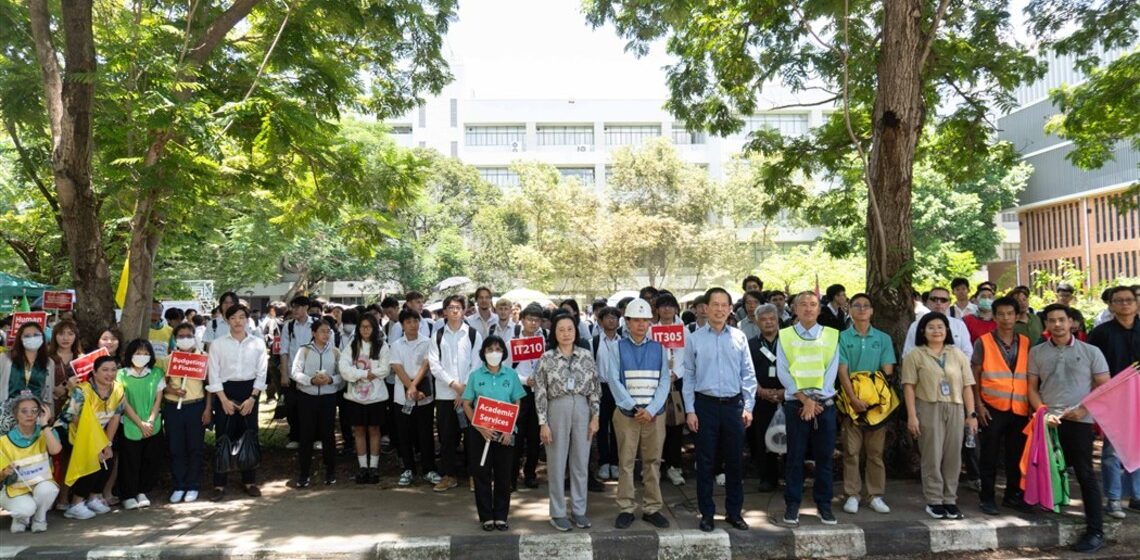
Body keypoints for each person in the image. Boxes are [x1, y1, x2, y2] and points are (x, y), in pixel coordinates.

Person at [1028, 304, 1110, 553]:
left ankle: (1095, 531)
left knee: (1085, 474)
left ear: (1071, 322)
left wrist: (1084, 410)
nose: (1057, 325)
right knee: (1049, 469)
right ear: (1046, 325)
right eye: (1051, 320)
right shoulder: (1037, 352)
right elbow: (1031, 388)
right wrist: (1042, 412)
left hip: (1079, 421)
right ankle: (1051, 514)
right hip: (1048, 421)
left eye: (1061, 320)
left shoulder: (1091, 351)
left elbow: (1104, 386)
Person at [683, 288, 757, 532]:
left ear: (729, 308)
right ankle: (707, 514)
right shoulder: (694, 338)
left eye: (724, 305)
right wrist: (690, 410)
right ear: (705, 307)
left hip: (733, 406)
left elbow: (748, 375)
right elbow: (689, 376)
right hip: (705, 406)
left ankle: (734, 513)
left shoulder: (739, 337)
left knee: (735, 462)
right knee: (705, 463)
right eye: (714, 304)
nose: (719, 309)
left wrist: (748, 406)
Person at [901, 312, 978, 521]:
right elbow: (909, 387)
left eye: (941, 327)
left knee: (954, 456)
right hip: (928, 407)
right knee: (932, 455)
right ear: (923, 331)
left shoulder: (957, 354)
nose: (936, 331)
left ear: (947, 331)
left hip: (955, 407)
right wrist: (912, 416)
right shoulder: (915, 355)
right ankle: (934, 500)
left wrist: (971, 415)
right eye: (931, 327)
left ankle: (950, 499)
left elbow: (968, 386)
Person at [607, 299, 672, 529]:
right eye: (636, 320)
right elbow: (613, 380)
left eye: (645, 320)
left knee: (652, 461)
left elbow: (665, 380)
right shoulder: (616, 347)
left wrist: (652, 409)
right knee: (625, 461)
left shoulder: (659, 348)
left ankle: (652, 508)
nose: (641, 324)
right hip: (627, 414)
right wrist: (634, 407)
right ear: (628, 322)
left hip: (654, 415)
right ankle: (626, 507)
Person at [775, 291, 838, 526]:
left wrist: (815, 399)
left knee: (824, 458)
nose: (809, 309)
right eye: (803, 305)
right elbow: (784, 371)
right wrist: (805, 399)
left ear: (819, 309)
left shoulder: (831, 335)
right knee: (795, 456)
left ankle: (824, 505)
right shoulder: (785, 336)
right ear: (795, 309)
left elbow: (831, 372)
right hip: (797, 405)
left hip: (824, 405)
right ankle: (792, 505)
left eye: (813, 305)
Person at [535, 313, 601, 532]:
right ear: (554, 332)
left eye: (570, 329)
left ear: (576, 331)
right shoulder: (547, 358)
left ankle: (579, 510)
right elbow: (541, 392)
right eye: (561, 329)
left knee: (581, 461)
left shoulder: (585, 356)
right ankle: (557, 512)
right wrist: (543, 422)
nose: (566, 333)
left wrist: (595, 416)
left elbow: (594, 388)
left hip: (582, 407)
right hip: (557, 407)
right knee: (556, 462)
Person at [836, 293, 897, 515]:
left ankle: (875, 495)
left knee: (875, 453)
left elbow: (887, 370)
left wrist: (874, 400)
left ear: (872, 311)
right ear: (850, 310)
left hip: (877, 406)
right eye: (857, 305)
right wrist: (853, 398)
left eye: (866, 306)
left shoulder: (883, 338)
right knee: (851, 452)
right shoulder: (842, 338)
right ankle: (852, 494)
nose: (862, 309)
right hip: (850, 403)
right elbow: (842, 371)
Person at [971, 296, 1031, 516]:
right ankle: (987, 498)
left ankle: (1012, 495)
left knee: (1016, 455)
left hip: (1019, 408)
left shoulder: (1025, 341)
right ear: (994, 317)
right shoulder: (983, 341)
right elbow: (974, 373)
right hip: (992, 407)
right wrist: (978, 404)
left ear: (1017, 316)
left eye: (1010, 314)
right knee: (989, 454)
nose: (1006, 318)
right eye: (1001, 314)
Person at [462, 335, 526, 531]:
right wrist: (480, 427)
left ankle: (501, 516)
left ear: (503, 353)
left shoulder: (511, 375)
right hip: (480, 433)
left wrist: (508, 429)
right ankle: (486, 517)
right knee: (481, 474)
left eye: (498, 349)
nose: (494, 353)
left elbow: (517, 402)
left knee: (503, 475)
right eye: (489, 349)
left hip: (505, 433)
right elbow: (466, 403)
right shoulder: (475, 375)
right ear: (483, 353)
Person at [1087, 286, 1140, 519]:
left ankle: (1137, 497)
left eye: (1129, 300)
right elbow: (1090, 367)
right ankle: (1114, 499)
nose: (1125, 304)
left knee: (1138, 447)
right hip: (1114, 399)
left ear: (1137, 304)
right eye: (1119, 300)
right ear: (1111, 305)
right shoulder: (1101, 333)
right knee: (1112, 451)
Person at [205, 304, 267, 501]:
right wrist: (222, 400)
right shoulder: (218, 344)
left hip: (250, 391)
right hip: (225, 391)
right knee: (223, 437)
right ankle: (219, 485)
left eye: (242, 317)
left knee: (249, 436)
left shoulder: (257, 343)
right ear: (226, 320)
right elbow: (213, 374)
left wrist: (253, 398)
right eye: (233, 318)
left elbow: (262, 372)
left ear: (247, 320)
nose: (238, 321)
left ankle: (249, 481)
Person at [428, 294, 484, 493]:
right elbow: (434, 365)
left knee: (471, 437)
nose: (454, 310)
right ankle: (449, 475)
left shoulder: (472, 334)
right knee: (447, 438)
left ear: (464, 310)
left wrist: (465, 389)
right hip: (445, 395)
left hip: (469, 396)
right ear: (444, 311)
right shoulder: (437, 335)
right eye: (450, 307)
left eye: (458, 307)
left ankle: (473, 475)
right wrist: (454, 384)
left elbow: (477, 364)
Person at [60, 355, 123, 520]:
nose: (110, 374)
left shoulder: (118, 389)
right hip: (75, 434)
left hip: (99, 434)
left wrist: (106, 443)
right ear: (94, 372)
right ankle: (75, 504)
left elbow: (115, 417)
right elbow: (74, 418)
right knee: (93, 460)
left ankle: (94, 497)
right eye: (105, 370)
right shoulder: (82, 391)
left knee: (108, 459)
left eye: (113, 370)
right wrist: (95, 445)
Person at [390, 309, 441, 488]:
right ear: (402, 325)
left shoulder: (428, 342)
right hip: (402, 396)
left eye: (415, 321)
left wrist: (414, 387)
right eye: (409, 322)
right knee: (404, 434)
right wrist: (410, 388)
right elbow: (397, 367)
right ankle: (408, 469)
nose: (413, 325)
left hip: (423, 394)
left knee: (425, 433)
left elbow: (426, 366)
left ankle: (429, 469)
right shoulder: (396, 345)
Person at [290, 319, 343, 487]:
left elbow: (342, 375)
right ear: (314, 333)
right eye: (322, 331)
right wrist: (310, 380)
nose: (326, 334)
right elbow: (295, 373)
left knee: (328, 435)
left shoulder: (335, 352)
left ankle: (330, 471)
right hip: (307, 398)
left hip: (328, 398)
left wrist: (331, 379)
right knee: (306, 435)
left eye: (328, 331)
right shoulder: (304, 350)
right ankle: (304, 473)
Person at [339, 314, 390, 484]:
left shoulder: (382, 346)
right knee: (359, 430)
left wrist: (364, 374)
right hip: (355, 398)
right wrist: (364, 374)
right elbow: (344, 368)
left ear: (375, 328)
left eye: (369, 326)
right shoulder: (352, 346)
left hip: (376, 397)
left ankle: (374, 467)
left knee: (374, 430)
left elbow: (385, 369)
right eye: (362, 327)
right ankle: (362, 466)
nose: (365, 330)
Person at [0, 393, 61, 533]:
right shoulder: (3, 441)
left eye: (34, 411)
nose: (30, 415)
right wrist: (4, 473)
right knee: (26, 509)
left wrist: (45, 424)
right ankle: (22, 517)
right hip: (14, 491)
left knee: (48, 489)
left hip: (41, 485)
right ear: (16, 414)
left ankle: (40, 518)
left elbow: (55, 450)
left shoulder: (47, 432)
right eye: (24, 411)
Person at [163, 323, 211, 503]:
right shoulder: (169, 359)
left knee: (195, 448)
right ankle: (179, 485)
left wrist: (207, 409)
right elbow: (162, 385)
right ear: (175, 339)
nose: (185, 339)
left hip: (195, 407)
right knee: (176, 448)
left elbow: (209, 386)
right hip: (173, 408)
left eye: (188, 335)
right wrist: (172, 391)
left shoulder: (203, 358)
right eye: (181, 336)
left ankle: (193, 485)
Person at [116, 339, 165, 510]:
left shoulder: (156, 373)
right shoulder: (121, 374)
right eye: (138, 353)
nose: (141, 356)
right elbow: (124, 402)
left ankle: (142, 491)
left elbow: (158, 399)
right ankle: (128, 494)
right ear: (130, 354)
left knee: (150, 459)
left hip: (153, 423)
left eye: (145, 353)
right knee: (130, 461)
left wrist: (150, 420)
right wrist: (140, 423)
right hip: (130, 423)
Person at [747, 304, 784, 493]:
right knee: (763, 439)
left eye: (772, 318)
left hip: (787, 397)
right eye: (764, 319)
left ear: (778, 320)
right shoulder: (751, 344)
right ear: (756, 322)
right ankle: (767, 477)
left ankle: (789, 476)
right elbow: (746, 371)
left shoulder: (788, 342)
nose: (768, 322)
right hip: (761, 398)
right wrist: (760, 390)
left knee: (791, 438)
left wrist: (785, 391)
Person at [511, 303, 547, 490]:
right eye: (530, 319)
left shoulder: (544, 340)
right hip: (520, 392)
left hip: (539, 393)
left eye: (537, 320)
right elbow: (507, 370)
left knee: (534, 436)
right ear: (522, 320)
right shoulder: (513, 341)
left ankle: (530, 474)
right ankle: (512, 474)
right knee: (517, 435)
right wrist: (525, 380)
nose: (533, 323)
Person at [654, 294, 688, 487]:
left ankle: (674, 466)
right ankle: (655, 465)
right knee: (656, 426)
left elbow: (688, 358)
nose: (666, 310)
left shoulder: (684, 331)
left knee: (675, 426)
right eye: (662, 306)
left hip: (678, 383)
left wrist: (676, 373)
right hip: (656, 384)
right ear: (657, 309)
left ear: (676, 308)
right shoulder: (651, 331)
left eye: (670, 306)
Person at [279, 295, 315, 451]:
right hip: (293, 373)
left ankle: (315, 437)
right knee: (292, 406)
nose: (295, 310)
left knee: (312, 407)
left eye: (298, 307)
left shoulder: (315, 324)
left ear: (306, 307)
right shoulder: (288, 326)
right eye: (293, 307)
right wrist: (284, 374)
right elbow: (284, 350)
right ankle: (295, 436)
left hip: (312, 373)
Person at [591, 306, 622, 482]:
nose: (611, 320)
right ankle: (603, 462)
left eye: (614, 317)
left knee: (618, 426)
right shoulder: (593, 342)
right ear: (601, 321)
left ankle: (615, 463)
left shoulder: (624, 341)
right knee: (602, 426)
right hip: (601, 388)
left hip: (619, 389)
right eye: (607, 317)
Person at [0, 323, 55, 410]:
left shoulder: (49, 363)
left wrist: (50, 411)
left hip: (36, 413)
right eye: (27, 336)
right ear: (20, 339)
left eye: (36, 335)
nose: (32, 338)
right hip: (8, 411)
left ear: (42, 337)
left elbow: (48, 392)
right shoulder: (5, 358)